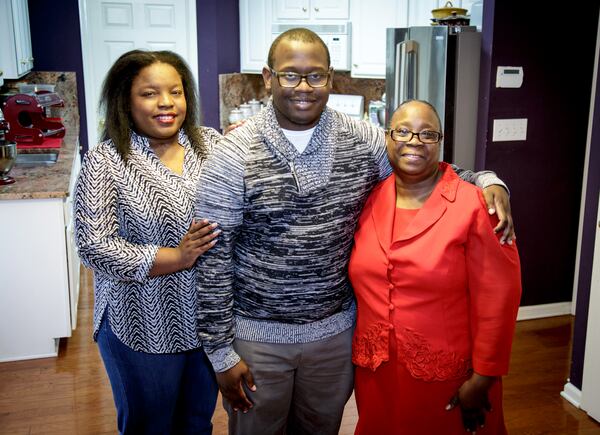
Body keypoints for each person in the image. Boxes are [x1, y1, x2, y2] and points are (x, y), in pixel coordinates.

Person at [194, 28, 514, 435]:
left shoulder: (362, 140)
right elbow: (211, 256)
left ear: (331, 79)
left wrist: (488, 179)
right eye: (291, 75)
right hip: (259, 340)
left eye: (316, 76)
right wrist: (220, 353)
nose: (304, 87)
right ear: (268, 77)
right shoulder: (231, 153)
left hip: (336, 336)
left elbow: (422, 166)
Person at [349, 100, 522, 434]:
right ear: (387, 138)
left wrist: (484, 376)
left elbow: (500, 296)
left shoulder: (476, 205)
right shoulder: (370, 199)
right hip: (377, 373)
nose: (414, 141)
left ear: (441, 142)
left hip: (448, 376)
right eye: (403, 131)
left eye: (427, 134)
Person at [73, 49, 222, 434]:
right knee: (149, 426)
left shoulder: (210, 144)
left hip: (206, 321)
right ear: (126, 100)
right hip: (140, 321)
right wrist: (178, 256)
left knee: (196, 423)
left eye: (175, 91)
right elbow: (94, 245)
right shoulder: (106, 160)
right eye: (150, 93)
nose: (166, 103)